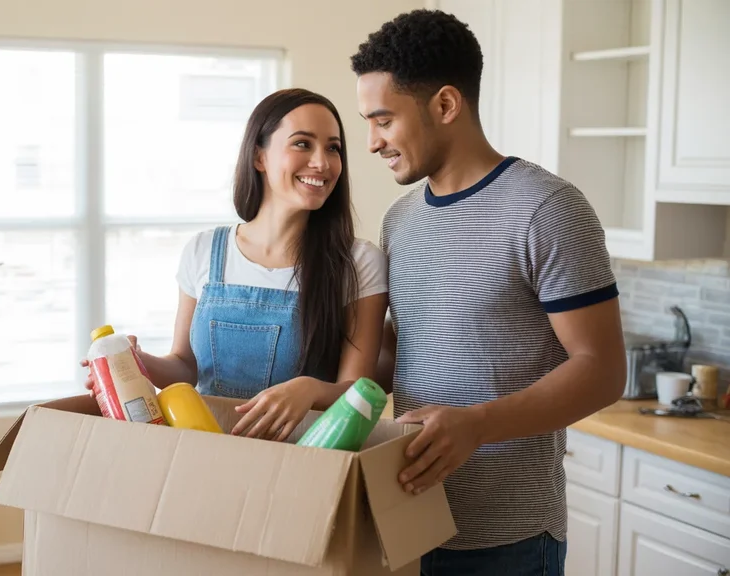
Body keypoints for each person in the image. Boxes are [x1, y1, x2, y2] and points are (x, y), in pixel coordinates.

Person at [351, 9, 627, 576]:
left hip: (510, 537)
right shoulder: (399, 221)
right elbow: (399, 355)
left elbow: (601, 369)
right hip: (407, 519)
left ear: (446, 106)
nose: (372, 142)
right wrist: (325, 383)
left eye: (383, 120)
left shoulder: (547, 208)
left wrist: (475, 424)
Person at [83, 88, 389, 441]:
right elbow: (184, 367)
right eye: (303, 144)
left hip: (304, 464)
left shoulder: (358, 262)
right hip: (206, 452)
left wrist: (310, 390)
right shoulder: (203, 252)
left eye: (333, 148)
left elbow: (357, 392)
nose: (322, 162)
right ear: (259, 156)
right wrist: (134, 363)